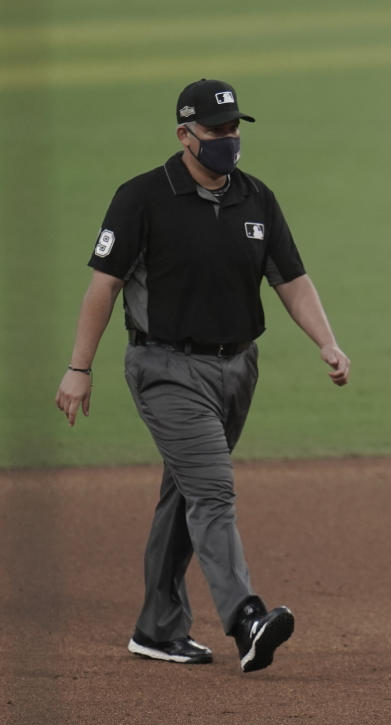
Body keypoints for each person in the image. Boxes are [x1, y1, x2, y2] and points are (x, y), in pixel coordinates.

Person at [54, 78, 351, 673]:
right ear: (185, 135)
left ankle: (157, 629)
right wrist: (78, 367)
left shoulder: (256, 199)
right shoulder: (142, 197)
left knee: (184, 492)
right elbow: (104, 286)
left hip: (238, 369)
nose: (229, 140)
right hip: (164, 368)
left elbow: (290, 279)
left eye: (234, 128)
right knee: (212, 489)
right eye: (216, 131)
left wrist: (327, 341)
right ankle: (246, 618)